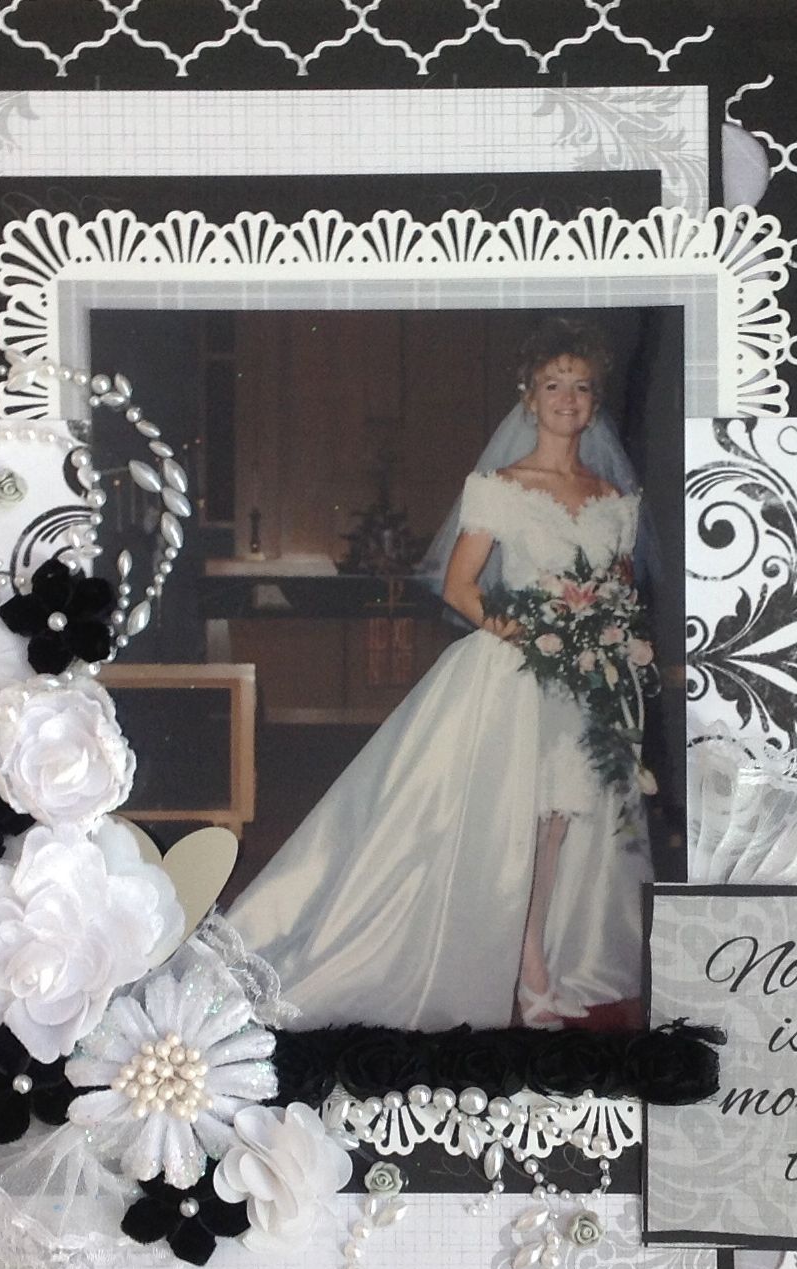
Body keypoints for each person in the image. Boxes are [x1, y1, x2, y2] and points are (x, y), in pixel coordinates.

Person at [226, 318, 654, 1031]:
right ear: (529, 398)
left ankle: (535, 959)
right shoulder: (500, 487)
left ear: (594, 403)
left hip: (585, 679)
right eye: (553, 386)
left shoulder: (613, 498)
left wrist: (602, 639)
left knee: (559, 820)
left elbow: (619, 590)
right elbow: (460, 588)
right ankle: (523, 967)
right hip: (512, 674)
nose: (567, 399)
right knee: (508, 819)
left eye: (581, 387)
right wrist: (534, 634)